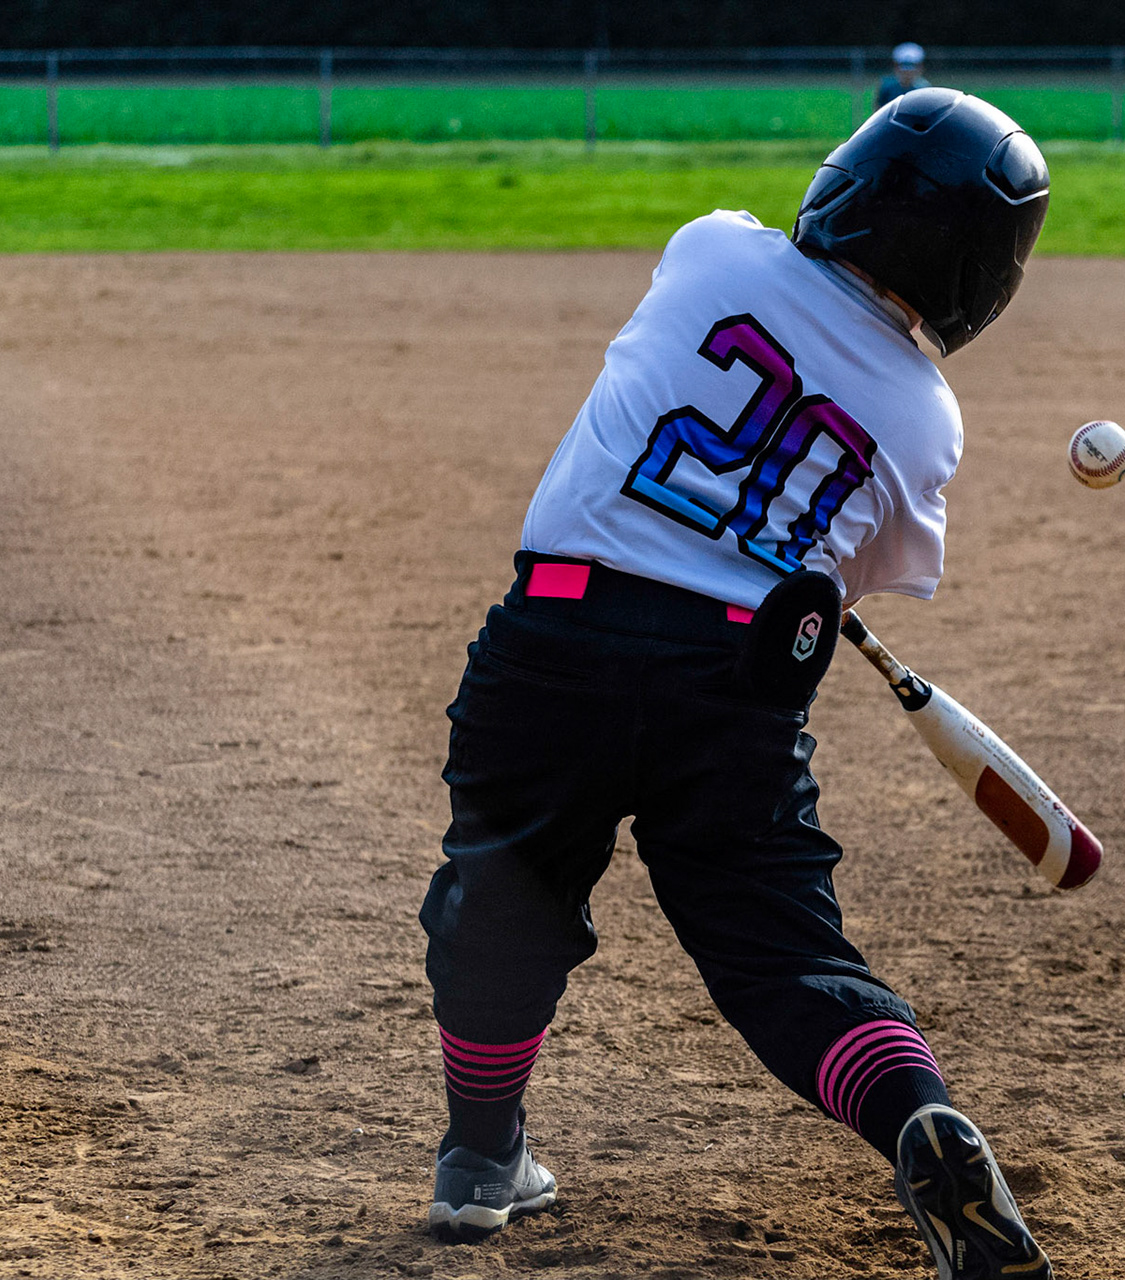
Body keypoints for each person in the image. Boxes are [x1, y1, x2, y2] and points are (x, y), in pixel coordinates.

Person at [418, 86, 1055, 1280]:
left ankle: (479, 1154)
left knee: (504, 892)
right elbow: (842, 585)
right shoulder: (926, 418)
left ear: (855, 182)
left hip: (557, 638)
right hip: (736, 684)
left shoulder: (712, 251)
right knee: (778, 947)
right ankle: (913, 1111)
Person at [876, 43, 931, 109]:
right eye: (904, 66)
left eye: (912, 66)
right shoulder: (887, 87)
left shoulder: (923, 88)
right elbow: (879, 109)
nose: (907, 72)